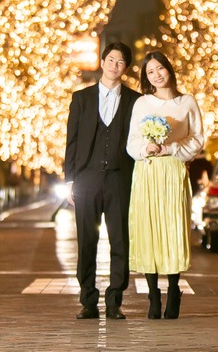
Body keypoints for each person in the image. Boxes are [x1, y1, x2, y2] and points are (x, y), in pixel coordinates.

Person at [63, 41, 141, 321]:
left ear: (125, 67)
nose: (114, 65)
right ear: (102, 61)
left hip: (120, 178)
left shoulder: (135, 101)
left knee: (120, 241)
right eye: (111, 59)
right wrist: (69, 180)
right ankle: (88, 301)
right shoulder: (81, 99)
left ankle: (114, 301)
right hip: (86, 178)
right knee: (87, 240)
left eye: (120, 62)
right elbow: (72, 141)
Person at [126, 51, 205, 321]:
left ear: (169, 69)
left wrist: (171, 148)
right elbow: (132, 141)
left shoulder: (187, 102)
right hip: (147, 171)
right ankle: (152, 294)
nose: (156, 75)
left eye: (159, 68)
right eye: (150, 72)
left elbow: (197, 138)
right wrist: (144, 148)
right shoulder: (142, 103)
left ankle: (173, 291)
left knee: (172, 229)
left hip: (173, 169)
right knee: (148, 229)